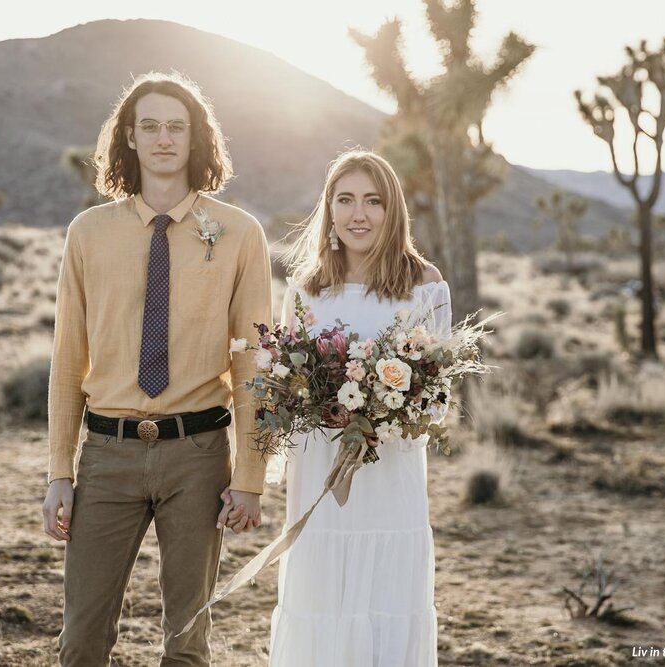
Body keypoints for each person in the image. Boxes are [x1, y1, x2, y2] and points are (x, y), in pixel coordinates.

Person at [41, 71, 272, 667]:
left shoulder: (241, 234)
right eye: (151, 126)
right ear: (131, 138)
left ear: (197, 139)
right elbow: (68, 359)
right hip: (108, 454)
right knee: (82, 638)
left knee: (187, 642)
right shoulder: (88, 233)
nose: (164, 138)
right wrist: (58, 472)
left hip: (198, 455)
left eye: (177, 126)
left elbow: (254, 364)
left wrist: (249, 474)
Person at [268, 150, 448, 667]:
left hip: (390, 479)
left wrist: (382, 410)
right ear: (328, 211)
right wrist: (321, 406)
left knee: (386, 602)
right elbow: (288, 384)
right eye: (344, 200)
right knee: (321, 599)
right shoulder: (306, 289)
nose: (358, 215)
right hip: (320, 472)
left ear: (393, 211)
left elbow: (436, 401)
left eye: (373, 201)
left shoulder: (423, 284)